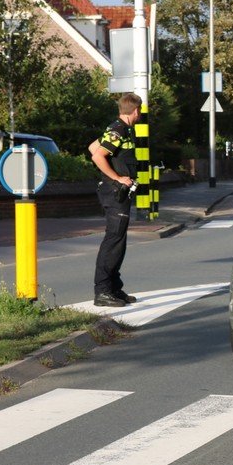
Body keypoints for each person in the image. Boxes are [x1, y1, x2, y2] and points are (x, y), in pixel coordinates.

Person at [89, 93, 141, 308]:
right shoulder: (118, 129)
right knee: (113, 241)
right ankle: (102, 291)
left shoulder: (120, 129)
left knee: (119, 241)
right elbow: (97, 155)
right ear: (136, 111)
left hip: (118, 194)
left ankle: (114, 288)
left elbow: (93, 146)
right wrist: (118, 177)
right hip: (114, 193)